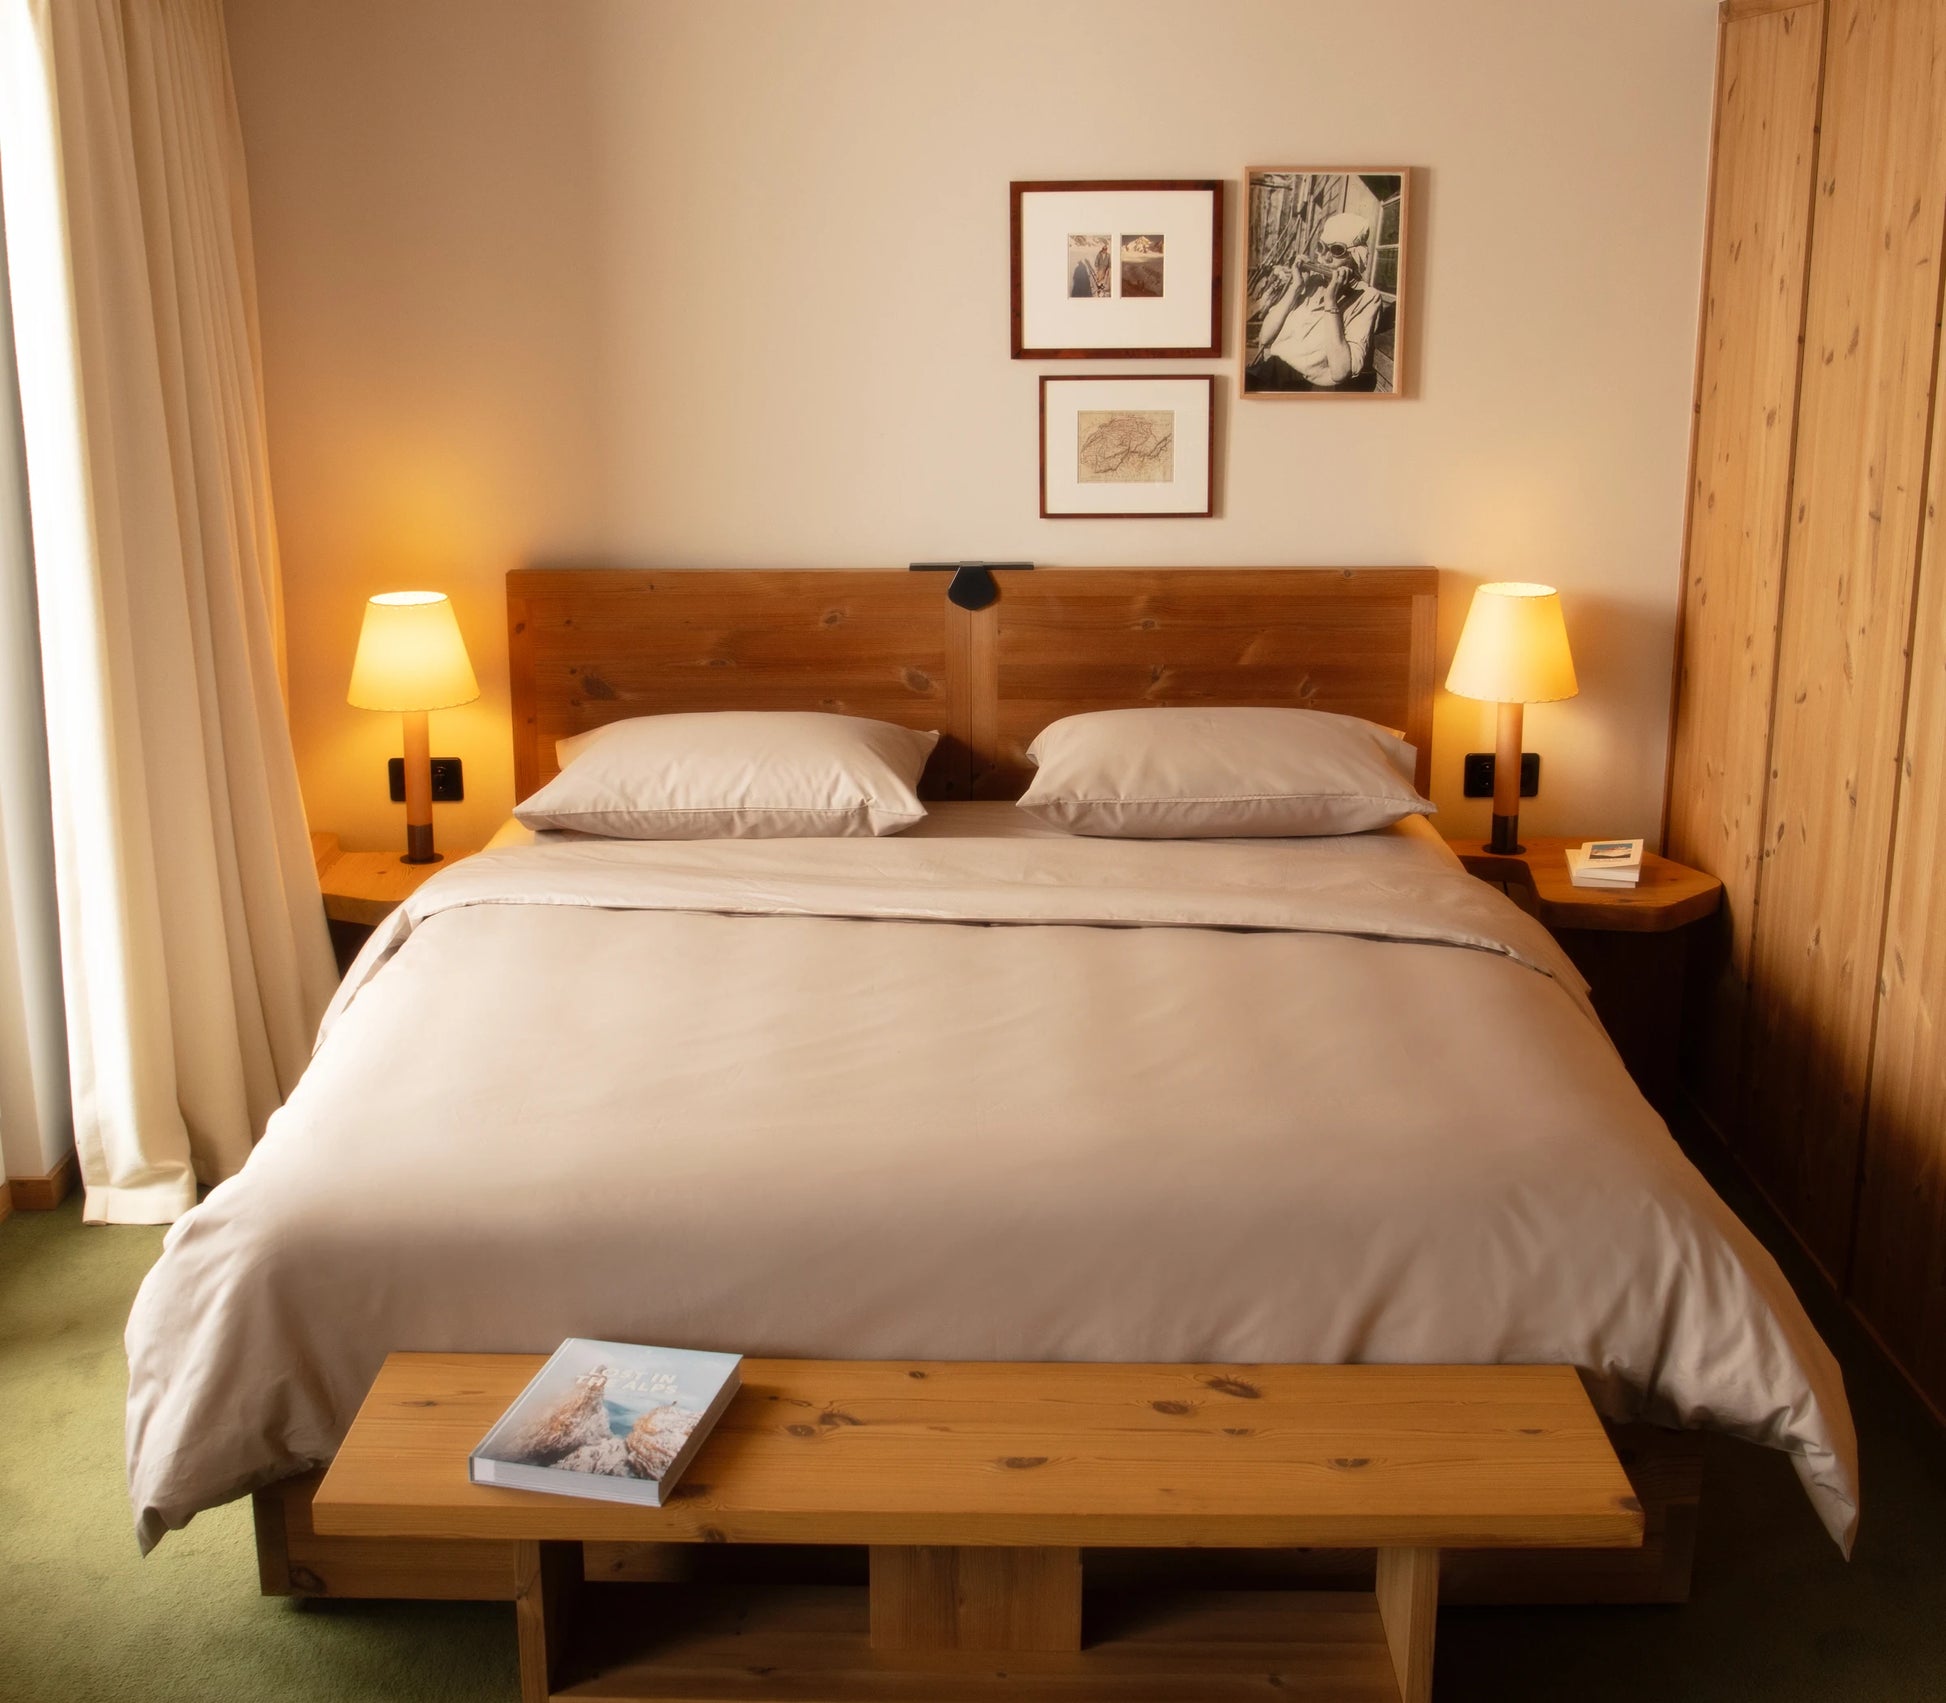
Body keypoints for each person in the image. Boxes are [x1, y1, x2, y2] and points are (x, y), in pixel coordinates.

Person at [1246, 210, 1385, 391]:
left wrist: (1331, 302)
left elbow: (1340, 372)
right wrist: (1295, 287)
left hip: (1303, 387)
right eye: (1321, 247)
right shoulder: (1312, 282)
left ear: (1354, 257)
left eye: (1337, 250)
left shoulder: (1367, 297)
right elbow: (1265, 338)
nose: (1325, 258)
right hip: (1270, 371)